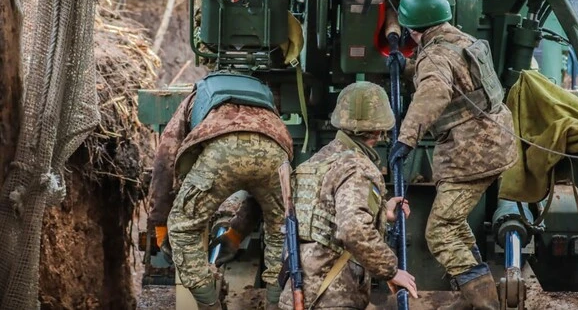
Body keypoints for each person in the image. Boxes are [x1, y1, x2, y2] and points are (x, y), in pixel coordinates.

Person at [388, 0, 517, 310]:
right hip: (496, 140)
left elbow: (435, 89)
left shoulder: (432, 56)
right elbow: (451, 72)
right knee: (453, 222)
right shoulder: (461, 39)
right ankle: (476, 292)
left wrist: (406, 139)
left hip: (473, 153)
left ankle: (487, 305)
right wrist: (405, 66)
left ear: (410, 27)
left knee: (440, 232)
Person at [147, 72, 293, 310]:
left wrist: (161, 224)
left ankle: (209, 306)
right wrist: (236, 233)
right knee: (281, 232)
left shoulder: (198, 94)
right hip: (275, 151)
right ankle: (276, 305)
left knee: (183, 229)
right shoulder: (264, 98)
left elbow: (166, 159)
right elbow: (259, 187)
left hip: (222, 150)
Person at [278, 82, 419, 310]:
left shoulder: (318, 161)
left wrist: (382, 212)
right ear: (379, 129)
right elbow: (353, 228)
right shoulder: (357, 166)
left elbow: (324, 216)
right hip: (331, 296)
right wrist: (391, 270)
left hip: (298, 291)